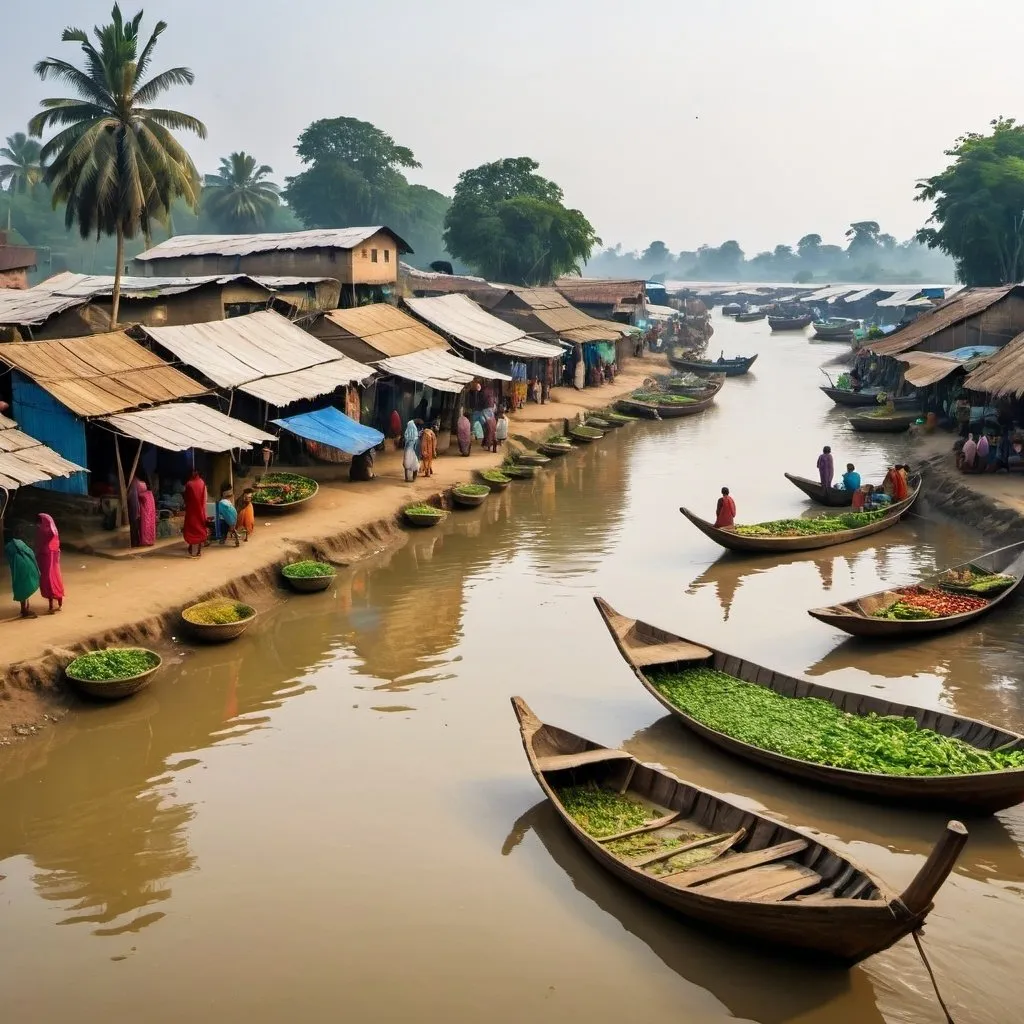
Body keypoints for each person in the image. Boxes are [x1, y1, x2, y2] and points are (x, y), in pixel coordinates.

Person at [35, 514, 64, 614]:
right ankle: (58, 603)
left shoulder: (43, 532)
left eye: (39, 522)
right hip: (51, 560)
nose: (38, 525)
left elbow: (39, 547)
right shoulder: (54, 534)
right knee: (55, 579)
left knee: (48, 580)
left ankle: (52, 605)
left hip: (46, 559)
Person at [5, 537, 40, 618]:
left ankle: (23, 608)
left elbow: (10, 560)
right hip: (26, 566)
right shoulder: (21, 544)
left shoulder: (8, 548)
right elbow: (31, 553)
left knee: (21, 587)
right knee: (25, 587)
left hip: (17, 569)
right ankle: (24, 610)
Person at [183, 469, 208, 557]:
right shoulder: (202, 482)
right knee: (200, 528)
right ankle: (198, 551)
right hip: (201, 510)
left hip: (191, 511)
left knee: (192, 529)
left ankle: (194, 550)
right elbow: (205, 497)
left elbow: (186, 497)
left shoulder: (189, 484)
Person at [127, 473, 145, 547]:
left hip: (134, 508)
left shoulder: (134, 483)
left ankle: (134, 542)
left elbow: (131, 497)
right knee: (136, 526)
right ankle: (136, 541)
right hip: (137, 507)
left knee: (134, 526)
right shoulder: (137, 482)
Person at [138, 482, 157, 547]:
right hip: (150, 512)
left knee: (145, 526)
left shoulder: (142, 495)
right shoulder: (150, 493)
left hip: (146, 512)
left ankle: (146, 541)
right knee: (150, 525)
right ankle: (150, 540)